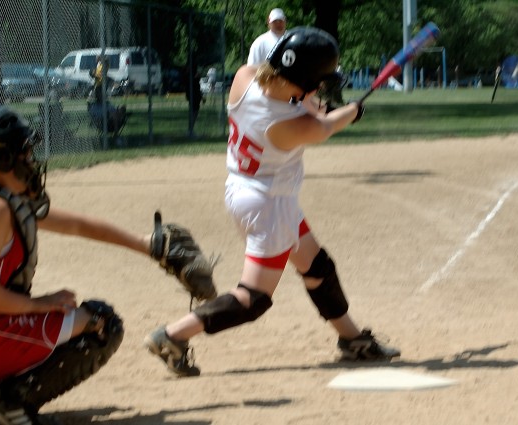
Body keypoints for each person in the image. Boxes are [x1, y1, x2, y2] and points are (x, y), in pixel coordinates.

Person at [144, 27, 400, 378]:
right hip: (269, 207)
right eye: (316, 83)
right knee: (253, 298)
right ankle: (173, 335)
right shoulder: (289, 123)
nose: (319, 90)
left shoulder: (245, 78)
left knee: (317, 267)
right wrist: (351, 112)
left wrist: (319, 104)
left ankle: (352, 339)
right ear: (305, 81)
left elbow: (300, 102)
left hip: (245, 191)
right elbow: (324, 126)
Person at [0, 105, 159, 424]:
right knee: (100, 322)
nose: (31, 159)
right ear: (3, 158)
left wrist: (146, 245)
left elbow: (77, 225)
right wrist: (38, 304)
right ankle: (8, 404)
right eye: (25, 151)